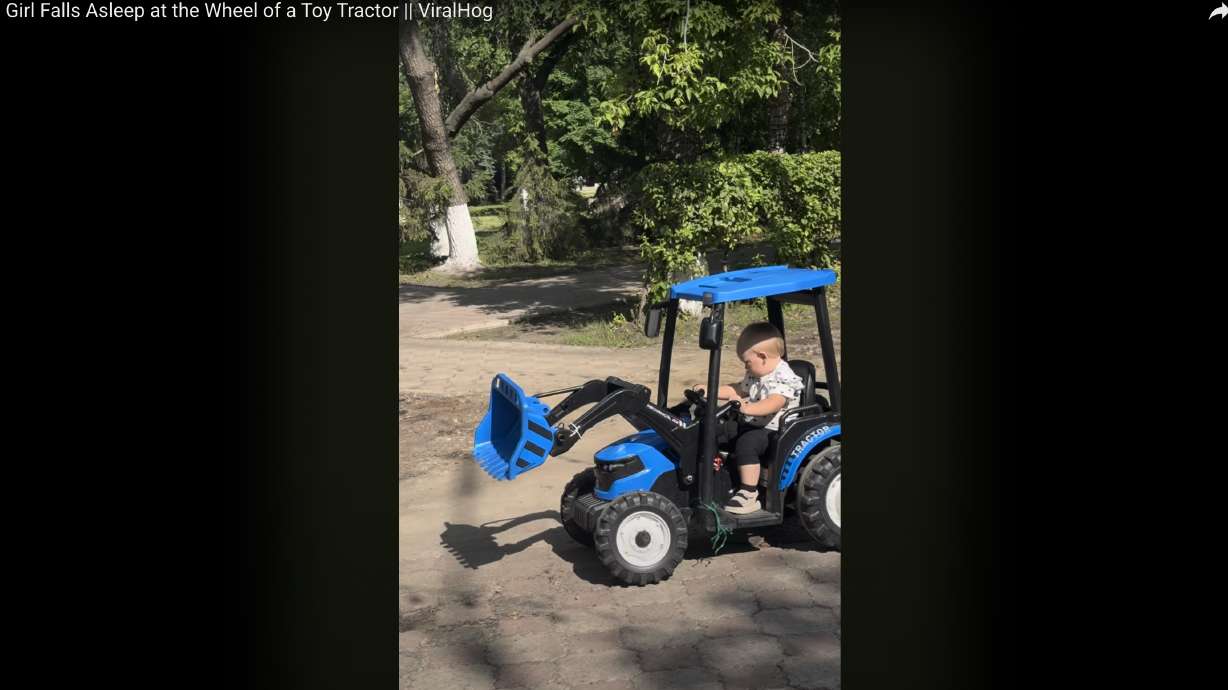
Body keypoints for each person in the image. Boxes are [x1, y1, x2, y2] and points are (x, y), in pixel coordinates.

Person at [694, 322, 804, 514]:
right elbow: (737, 389)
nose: (746, 367)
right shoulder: (758, 372)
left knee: (747, 443)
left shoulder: (783, 376)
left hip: (774, 430)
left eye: (747, 362)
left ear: (762, 357)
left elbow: (774, 402)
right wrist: (709, 390)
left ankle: (748, 494)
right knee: (718, 429)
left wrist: (747, 408)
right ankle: (716, 472)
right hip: (754, 423)